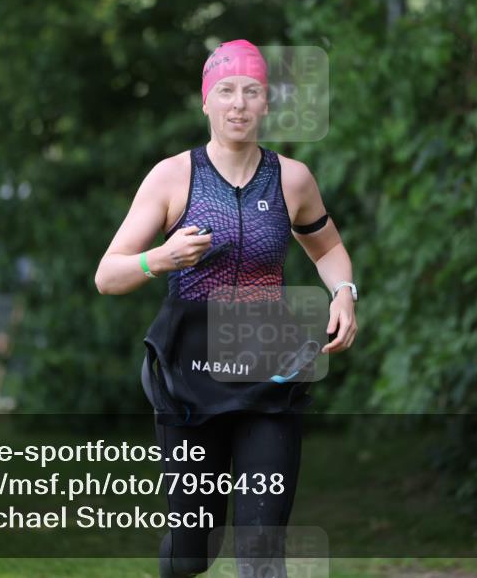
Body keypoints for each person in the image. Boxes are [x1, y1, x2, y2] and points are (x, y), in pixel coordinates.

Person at [95, 40, 358, 577]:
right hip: (188, 374)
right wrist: (162, 257)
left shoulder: (292, 178)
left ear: (266, 104)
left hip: (269, 371)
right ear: (206, 102)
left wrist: (344, 293)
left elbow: (326, 247)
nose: (238, 104)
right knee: (193, 548)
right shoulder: (173, 177)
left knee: (261, 545)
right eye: (226, 91)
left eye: (252, 92)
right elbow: (108, 274)